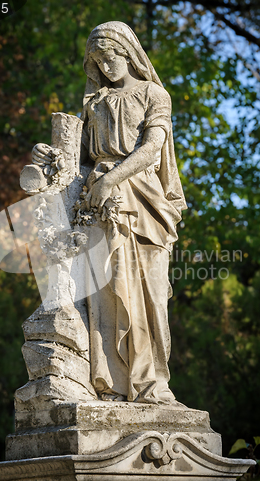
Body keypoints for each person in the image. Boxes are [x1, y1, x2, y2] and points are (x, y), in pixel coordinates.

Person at [80, 22, 187, 404]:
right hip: (102, 204)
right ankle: (113, 383)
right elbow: (78, 161)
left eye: (111, 56)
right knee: (108, 291)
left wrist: (112, 179)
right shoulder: (94, 103)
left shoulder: (154, 94)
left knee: (152, 295)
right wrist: (46, 157)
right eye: (98, 60)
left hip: (145, 201)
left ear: (128, 52)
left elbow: (151, 149)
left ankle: (153, 383)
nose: (107, 65)